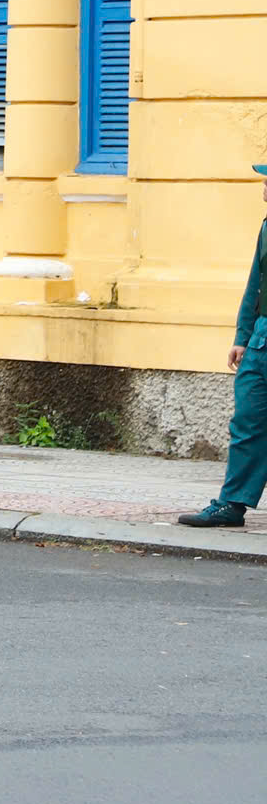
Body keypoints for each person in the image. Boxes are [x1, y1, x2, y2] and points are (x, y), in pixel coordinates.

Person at [181, 162, 267, 529]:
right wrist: (242, 337)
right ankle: (232, 504)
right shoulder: (266, 227)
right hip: (262, 342)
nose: (264, 188)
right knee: (247, 423)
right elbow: (255, 286)